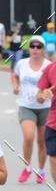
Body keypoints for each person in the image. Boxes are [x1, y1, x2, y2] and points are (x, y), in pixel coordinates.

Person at [14, 35, 52, 183]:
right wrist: (16, 85)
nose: (35, 49)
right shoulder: (21, 63)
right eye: (32, 46)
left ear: (43, 49)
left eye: (39, 47)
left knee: (41, 141)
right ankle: (27, 167)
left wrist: (45, 94)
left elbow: (52, 85)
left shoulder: (48, 66)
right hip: (26, 106)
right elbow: (15, 76)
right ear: (29, 48)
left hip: (45, 108)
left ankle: (41, 170)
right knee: (29, 136)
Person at [37, 51, 56, 183]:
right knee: (54, 160)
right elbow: (39, 96)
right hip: (53, 123)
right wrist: (43, 96)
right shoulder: (50, 69)